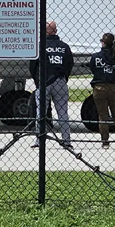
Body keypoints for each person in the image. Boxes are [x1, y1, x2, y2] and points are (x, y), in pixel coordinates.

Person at [28, 21, 74, 149]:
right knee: (63, 112)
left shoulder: (39, 46)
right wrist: (64, 78)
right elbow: (69, 63)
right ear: (56, 31)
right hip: (60, 81)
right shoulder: (64, 47)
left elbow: (33, 66)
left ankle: (39, 139)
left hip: (44, 82)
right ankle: (66, 140)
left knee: (40, 112)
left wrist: (37, 81)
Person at [86, 32, 115, 149]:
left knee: (102, 116)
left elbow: (93, 69)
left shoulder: (96, 57)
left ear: (102, 43)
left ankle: (105, 141)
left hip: (99, 87)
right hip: (113, 87)